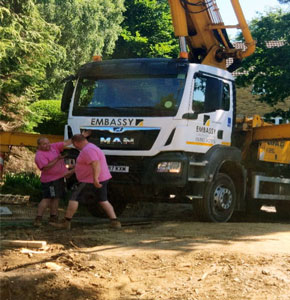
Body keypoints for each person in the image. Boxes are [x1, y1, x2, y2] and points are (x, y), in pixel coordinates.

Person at [51, 134, 121, 230]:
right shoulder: (91, 147)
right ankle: (115, 222)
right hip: (101, 178)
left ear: (76, 142)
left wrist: (95, 179)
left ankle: (66, 222)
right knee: (103, 200)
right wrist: (71, 172)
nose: (74, 147)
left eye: (74, 145)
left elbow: (96, 164)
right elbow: (84, 164)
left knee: (74, 198)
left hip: (90, 180)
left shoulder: (88, 150)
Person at [34, 132, 90, 227]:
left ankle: (53, 217)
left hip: (58, 178)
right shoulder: (39, 155)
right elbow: (45, 167)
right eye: (44, 144)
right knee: (47, 199)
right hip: (50, 180)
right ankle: (38, 219)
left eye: (48, 143)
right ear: (39, 146)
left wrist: (81, 136)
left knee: (56, 198)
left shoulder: (53, 147)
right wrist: (57, 159)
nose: (47, 145)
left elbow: (67, 143)